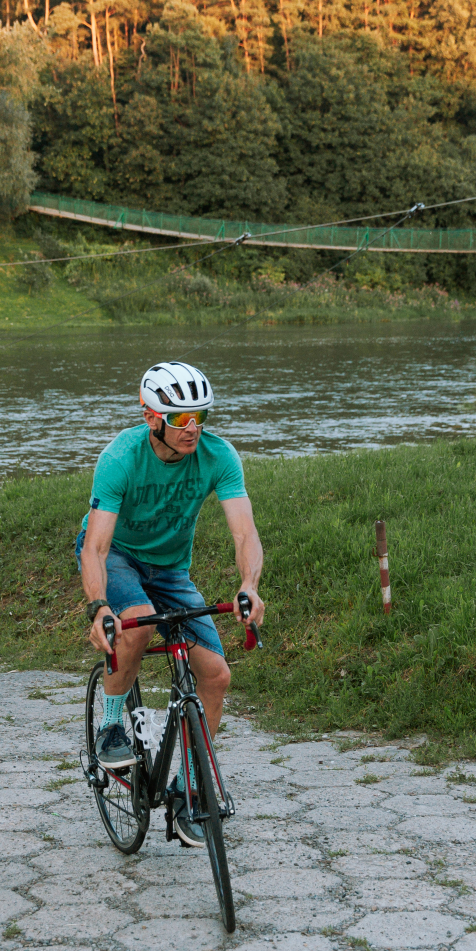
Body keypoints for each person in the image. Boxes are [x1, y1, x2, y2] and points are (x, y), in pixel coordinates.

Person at [78, 360, 267, 847]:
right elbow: (95, 547)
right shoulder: (121, 458)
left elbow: (244, 531)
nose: (194, 428)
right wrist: (99, 606)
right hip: (119, 557)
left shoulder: (219, 456)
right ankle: (113, 724)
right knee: (137, 624)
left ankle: (186, 787)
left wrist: (248, 583)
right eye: (181, 419)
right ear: (151, 417)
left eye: (201, 416)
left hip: (171, 571)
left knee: (216, 675)